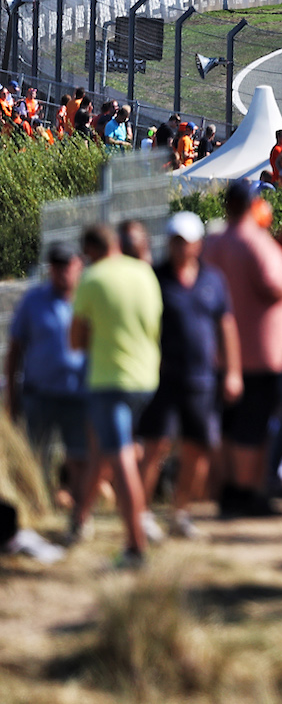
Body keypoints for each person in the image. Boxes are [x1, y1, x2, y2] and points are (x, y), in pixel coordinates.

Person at [137, 212, 242, 540]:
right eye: (175, 241)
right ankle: (140, 515)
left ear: (198, 244)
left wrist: (233, 371)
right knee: (156, 445)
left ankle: (180, 513)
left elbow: (226, 325)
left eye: (186, 241)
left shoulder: (214, 280)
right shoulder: (155, 278)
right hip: (163, 377)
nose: (180, 248)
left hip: (202, 379)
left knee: (197, 448)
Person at [203, 181, 282, 516]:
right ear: (252, 205)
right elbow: (274, 287)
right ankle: (244, 493)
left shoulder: (213, 241)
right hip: (259, 353)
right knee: (253, 424)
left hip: (221, 352)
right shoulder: (254, 242)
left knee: (230, 423)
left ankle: (229, 488)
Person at [68, 224, 163, 565]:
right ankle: (80, 519)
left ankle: (135, 545)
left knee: (121, 457)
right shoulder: (145, 274)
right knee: (102, 449)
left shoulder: (93, 279)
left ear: (91, 250)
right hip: (146, 378)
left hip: (109, 380)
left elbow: (75, 341)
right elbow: (153, 324)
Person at [5, 243, 88, 515]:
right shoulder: (34, 301)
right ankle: (34, 509)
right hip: (39, 395)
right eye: (56, 266)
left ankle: (79, 514)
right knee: (33, 456)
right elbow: (15, 347)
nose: (62, 272)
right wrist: (12, 394)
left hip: (78, 395)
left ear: (79, 267)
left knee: (79, 456)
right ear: (50, 269)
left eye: (68, 265)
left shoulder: (87, 300)